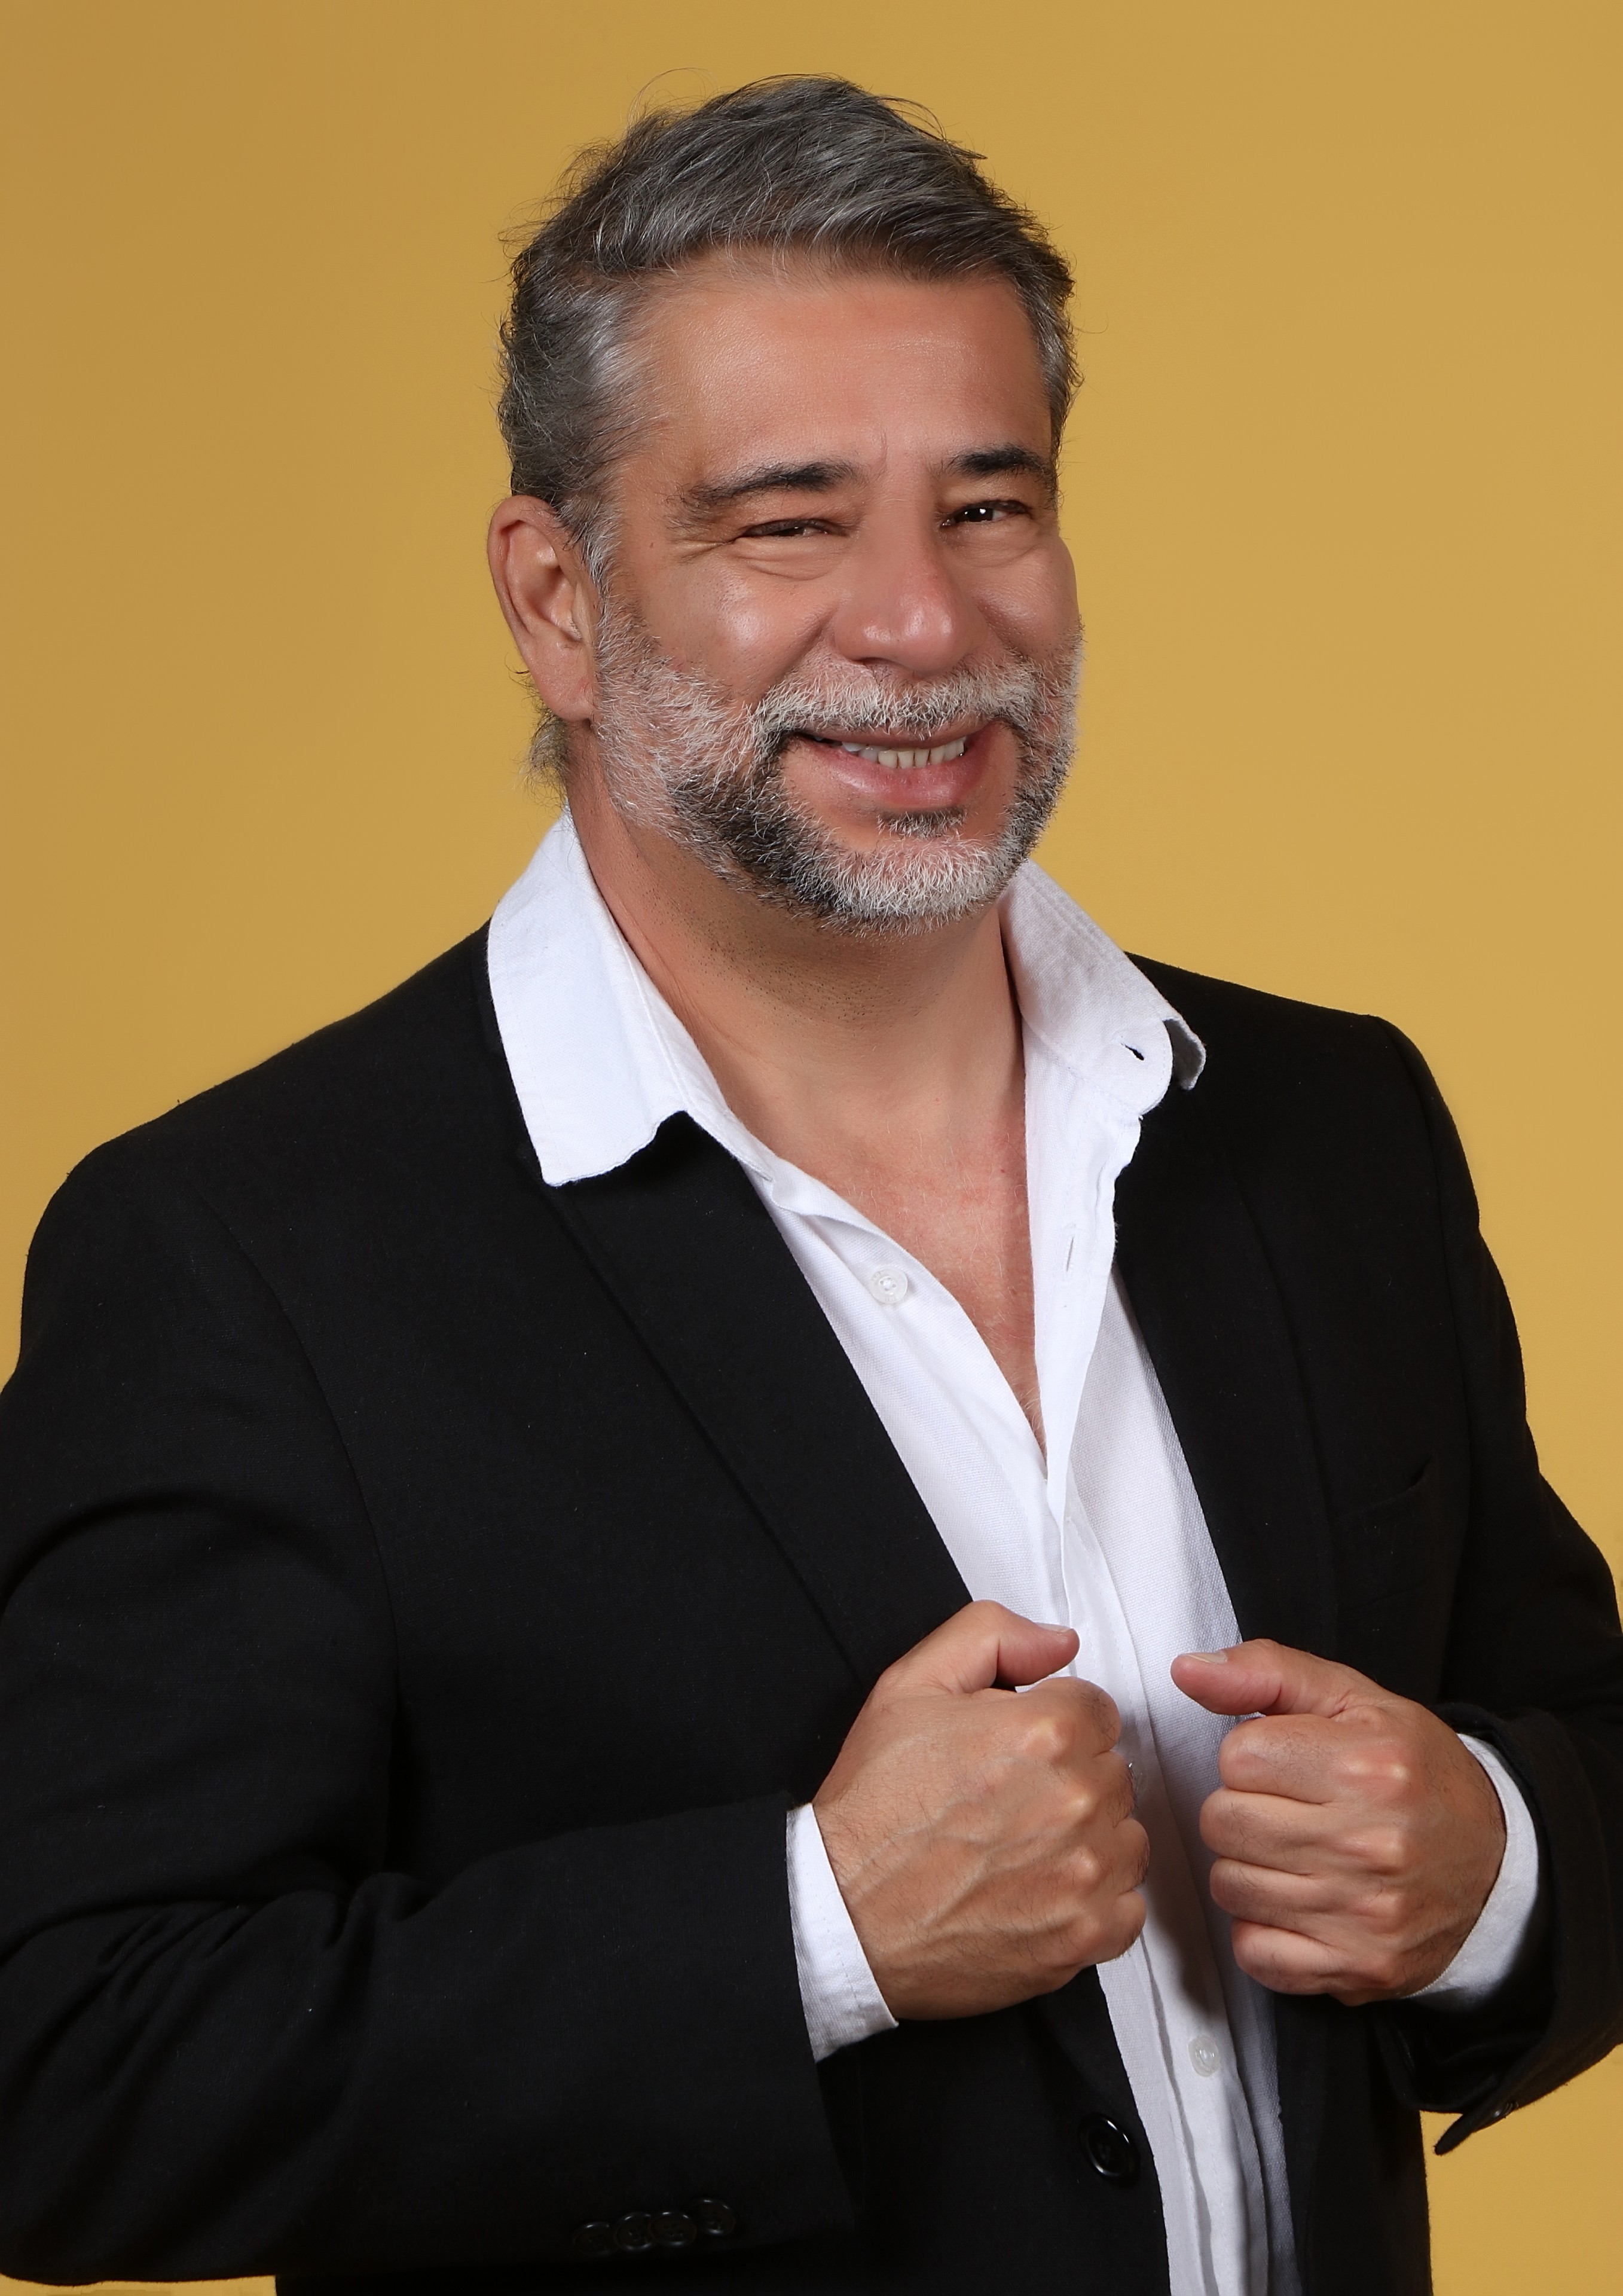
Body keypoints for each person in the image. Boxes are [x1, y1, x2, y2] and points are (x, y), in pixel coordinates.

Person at [0, 75, 1617, 2296]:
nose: (923, 622)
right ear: (556, 601)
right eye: (788, 523)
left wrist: (1499, 1869)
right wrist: (811, 1937)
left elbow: (1579, 1752)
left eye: (989, 504)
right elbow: (63, 2070)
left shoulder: (1327, 1126)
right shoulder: (244, 1257)